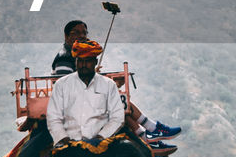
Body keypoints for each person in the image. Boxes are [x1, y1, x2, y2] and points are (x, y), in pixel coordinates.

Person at [50, 19, 181, 143]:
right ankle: (149, 130)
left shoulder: (74, 54)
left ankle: (146, 134)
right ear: (66, 36)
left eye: (84, 33)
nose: (82, 36)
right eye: (76, 33)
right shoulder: (64, 58)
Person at [45, 37, 125, 146]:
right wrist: (64, 139)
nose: (83, 65)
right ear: (76, 62)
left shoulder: (108, 85)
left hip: (101, 144)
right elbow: (53, 117)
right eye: (80, 61)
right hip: (67, 145)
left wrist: (100, 138)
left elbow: (117, 117)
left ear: (95, 62)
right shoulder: (61, 84)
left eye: (88, 61)